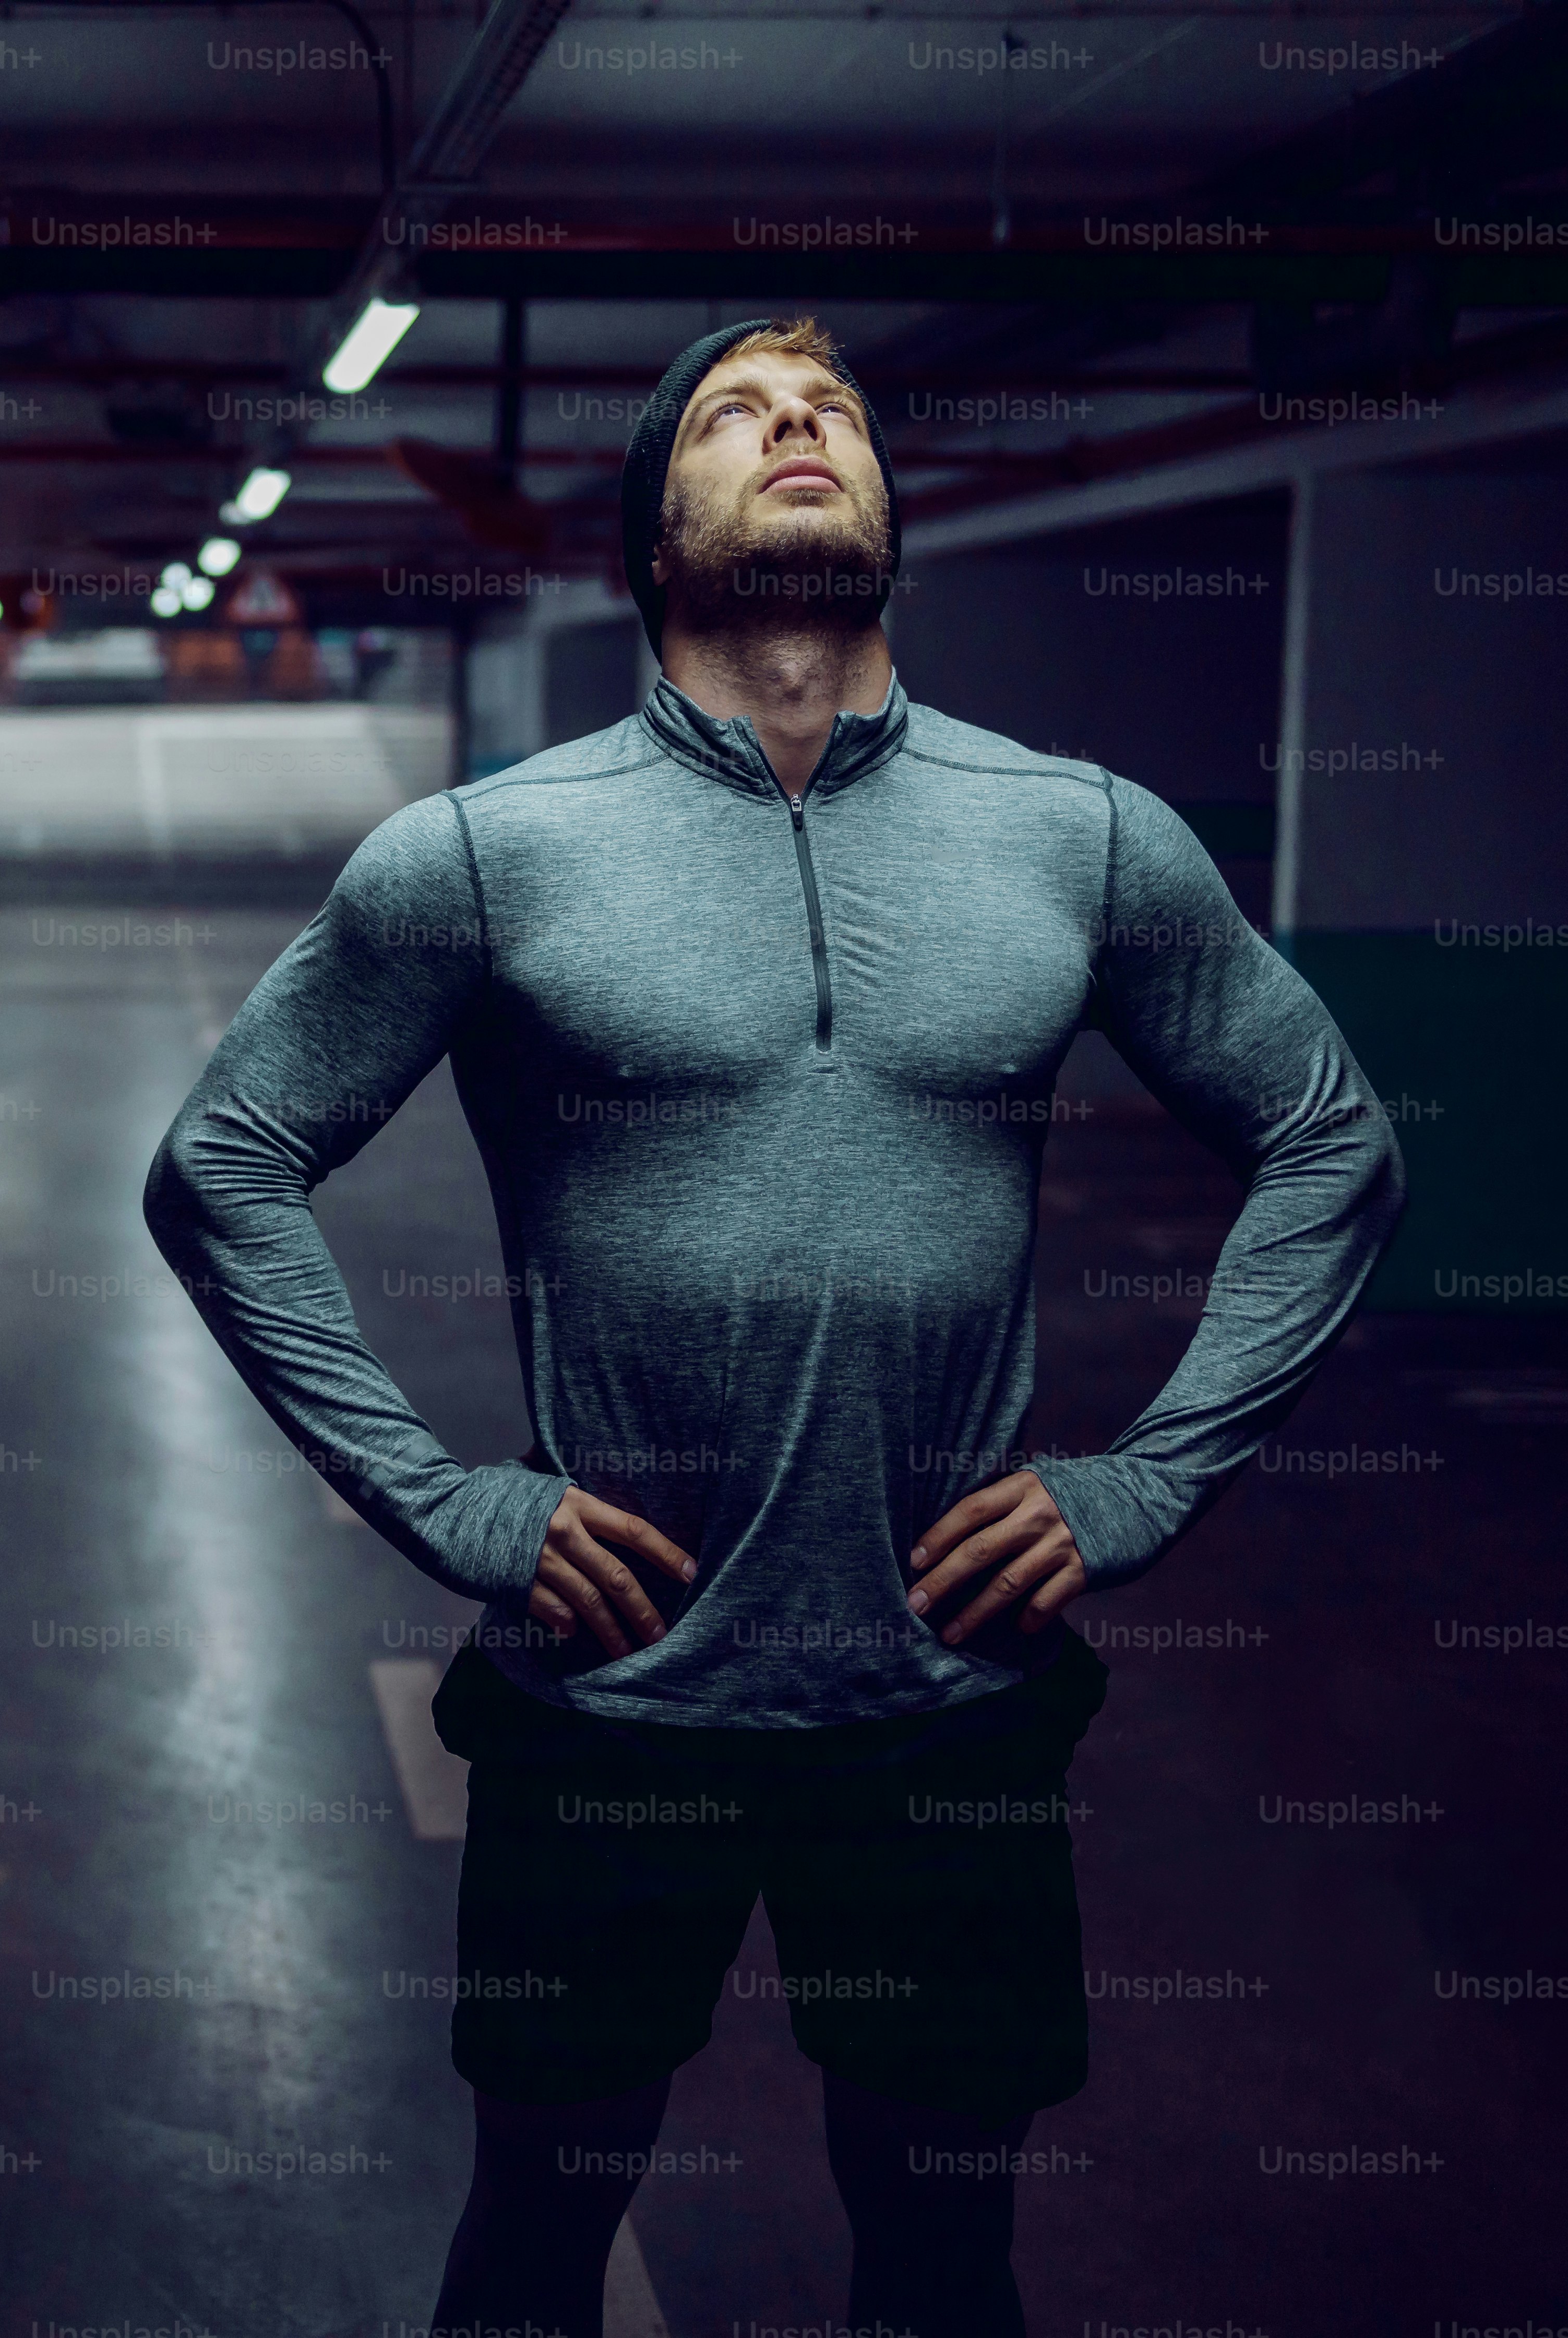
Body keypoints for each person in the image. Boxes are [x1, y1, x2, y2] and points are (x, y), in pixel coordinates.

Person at [141, 316, 1406, 2337]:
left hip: (949, 1698)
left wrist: (1151, 1476)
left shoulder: (1079, 833)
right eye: (737, 413)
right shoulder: (485, 853)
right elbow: (224, 1164)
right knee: (540, 2232)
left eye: (833, 409)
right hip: (605, 1699)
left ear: (889, 503)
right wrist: (444, 1505)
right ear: (658, 537)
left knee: (943, 2248)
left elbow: (1329, 1136)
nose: (799, 425)